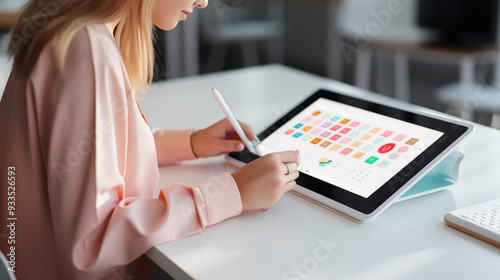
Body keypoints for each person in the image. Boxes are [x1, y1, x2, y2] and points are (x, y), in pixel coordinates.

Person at [0, 0, 300, 279]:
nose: (203, 2)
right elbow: (91, 244)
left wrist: (192, 143)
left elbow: (90, 152)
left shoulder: (69, 30)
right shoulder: (88, 49)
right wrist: (231, 192)